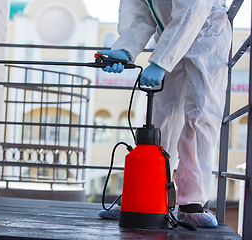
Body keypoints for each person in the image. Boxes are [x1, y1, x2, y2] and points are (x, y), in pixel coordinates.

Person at [96, 0, 232, 228]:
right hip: (169, 36)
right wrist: (125, 49)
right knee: (161, 115)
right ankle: (145, 195)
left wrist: (161, 62)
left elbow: (193, 10)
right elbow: (139, 16)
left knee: (200, 115)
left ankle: (190, 203)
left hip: (207, 34)